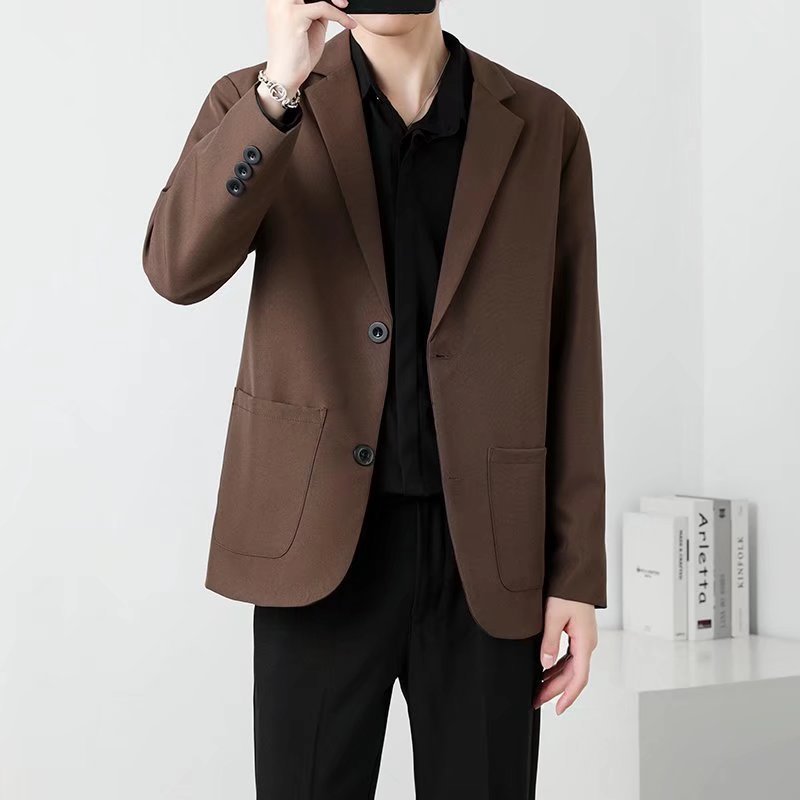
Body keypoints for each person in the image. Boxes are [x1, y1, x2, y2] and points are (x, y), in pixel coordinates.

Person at [142, 0, 607, 796]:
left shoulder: (542, 127)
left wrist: (576, 572)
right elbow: (176, 268)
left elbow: (573, 354)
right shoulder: (257, 102)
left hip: (486, 558)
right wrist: (280, 88)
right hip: (318, 546)